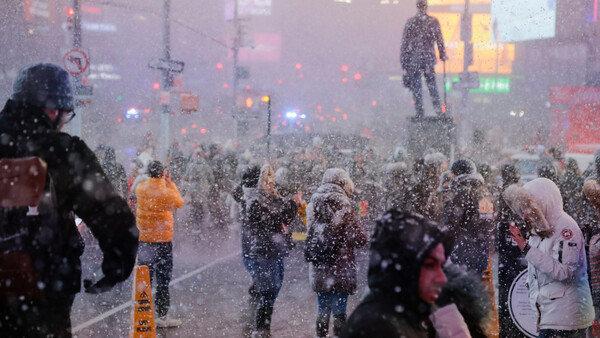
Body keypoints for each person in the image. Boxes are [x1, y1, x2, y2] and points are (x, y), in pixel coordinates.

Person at [0, 62, 139, 336]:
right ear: (52, 110)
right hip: (46, 286)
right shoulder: (64, 152)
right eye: (65, 114)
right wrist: (114, 269)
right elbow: (115, 220)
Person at [342, 210, 455, 337]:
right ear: (404, 266)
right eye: (430, 265)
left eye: (441, 266)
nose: (442, 279)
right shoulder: (379, 328)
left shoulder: (403, 318)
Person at [504, 178, 594, 337]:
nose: (525, 213)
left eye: (528, 207)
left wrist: (526, 249)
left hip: (566, 317)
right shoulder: (538, 228)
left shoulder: (566, 228)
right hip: (553, 315)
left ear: (543, 203)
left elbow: (565, 273)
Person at [306, 168, 368, 337]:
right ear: (343, 184)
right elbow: (360, 239)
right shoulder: (345, 208)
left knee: (322, 305)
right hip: (341, 266)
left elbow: (310, 231)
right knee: (340, 307)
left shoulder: (312, 205)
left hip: (319, 263)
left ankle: (321, 335)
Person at [241, 164, 297, 338]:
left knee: (272, 291)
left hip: (274, 252)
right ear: (260, 182)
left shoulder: (269, 199)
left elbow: (284, 216)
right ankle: (261, 330)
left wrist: (292, 205)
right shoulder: (256, 202)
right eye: (268, 180)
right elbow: (273, 220)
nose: (272, 183)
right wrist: (289, 206)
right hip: (265, 253)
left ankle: (264, 329)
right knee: (268, 292)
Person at [135, 160, 184, 327]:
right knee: (163, 280)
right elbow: (179, 202)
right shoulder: (167, 193)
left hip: (145, 241)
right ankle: (162, 316)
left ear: (148, 174)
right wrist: (170, 183)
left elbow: (138, 186)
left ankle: (142, 314)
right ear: (163, 174)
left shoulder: (140, 189)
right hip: (163, 242)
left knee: (144, 279)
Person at [442, 158, 492, 275]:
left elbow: (450, 223)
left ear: (457, 174)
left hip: (462, 252)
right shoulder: (484, 192)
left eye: (452, 173)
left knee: (458, 289)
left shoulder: (462, 192)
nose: (451, 176)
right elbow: (488, 222)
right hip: (481, 251)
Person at [401, 0, 447, 117]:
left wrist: (404, 61)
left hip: (415, 59)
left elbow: (405, 45)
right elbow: (439, 40)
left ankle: (420, 111)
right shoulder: (432, 22)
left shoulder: (411, 22)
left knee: (417, 87)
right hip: (427, 58)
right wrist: (442, 54)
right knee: (431, 86)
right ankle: (437, 110)